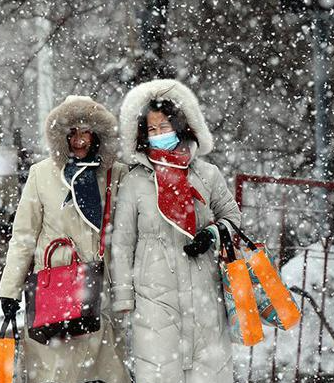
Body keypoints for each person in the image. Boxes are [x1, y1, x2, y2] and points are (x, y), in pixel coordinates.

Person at [110, 79, 241, 383]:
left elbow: (232, 217)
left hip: (204, 290)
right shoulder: (136, 182)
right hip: (153, 296)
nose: (159, 135)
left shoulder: (207, 174)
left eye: (165, 127)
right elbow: (122, 242)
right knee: (159, 373)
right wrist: (123, 296)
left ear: (180, 126)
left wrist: (212, 234)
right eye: (152, 130)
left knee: (209, 371)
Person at [0, 96, 130, 383]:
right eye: (72, 133)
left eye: (86, 132)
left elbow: (130, 229)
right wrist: (9, 290)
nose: (79, 141)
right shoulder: (42, 174)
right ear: (61, 136)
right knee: (55, 373)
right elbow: (23, 236)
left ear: (97, 134)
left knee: (105, 371)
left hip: (99, 291)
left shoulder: (115, 174)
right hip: (53, 293)